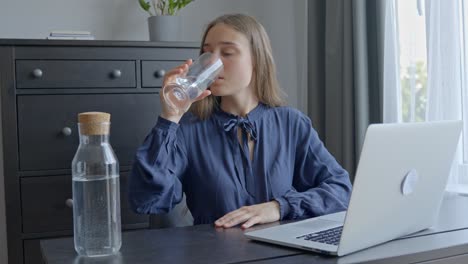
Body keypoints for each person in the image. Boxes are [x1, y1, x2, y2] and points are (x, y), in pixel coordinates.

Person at [128, 13, 352, 229]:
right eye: (206, 53)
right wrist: (170, 117)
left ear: (257, 60)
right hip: (215, 254)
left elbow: (341, 190)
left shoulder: (291, 123)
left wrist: (278, 208)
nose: (211, 63)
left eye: (227, 52)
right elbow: (148, 201)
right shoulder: (187, 129)